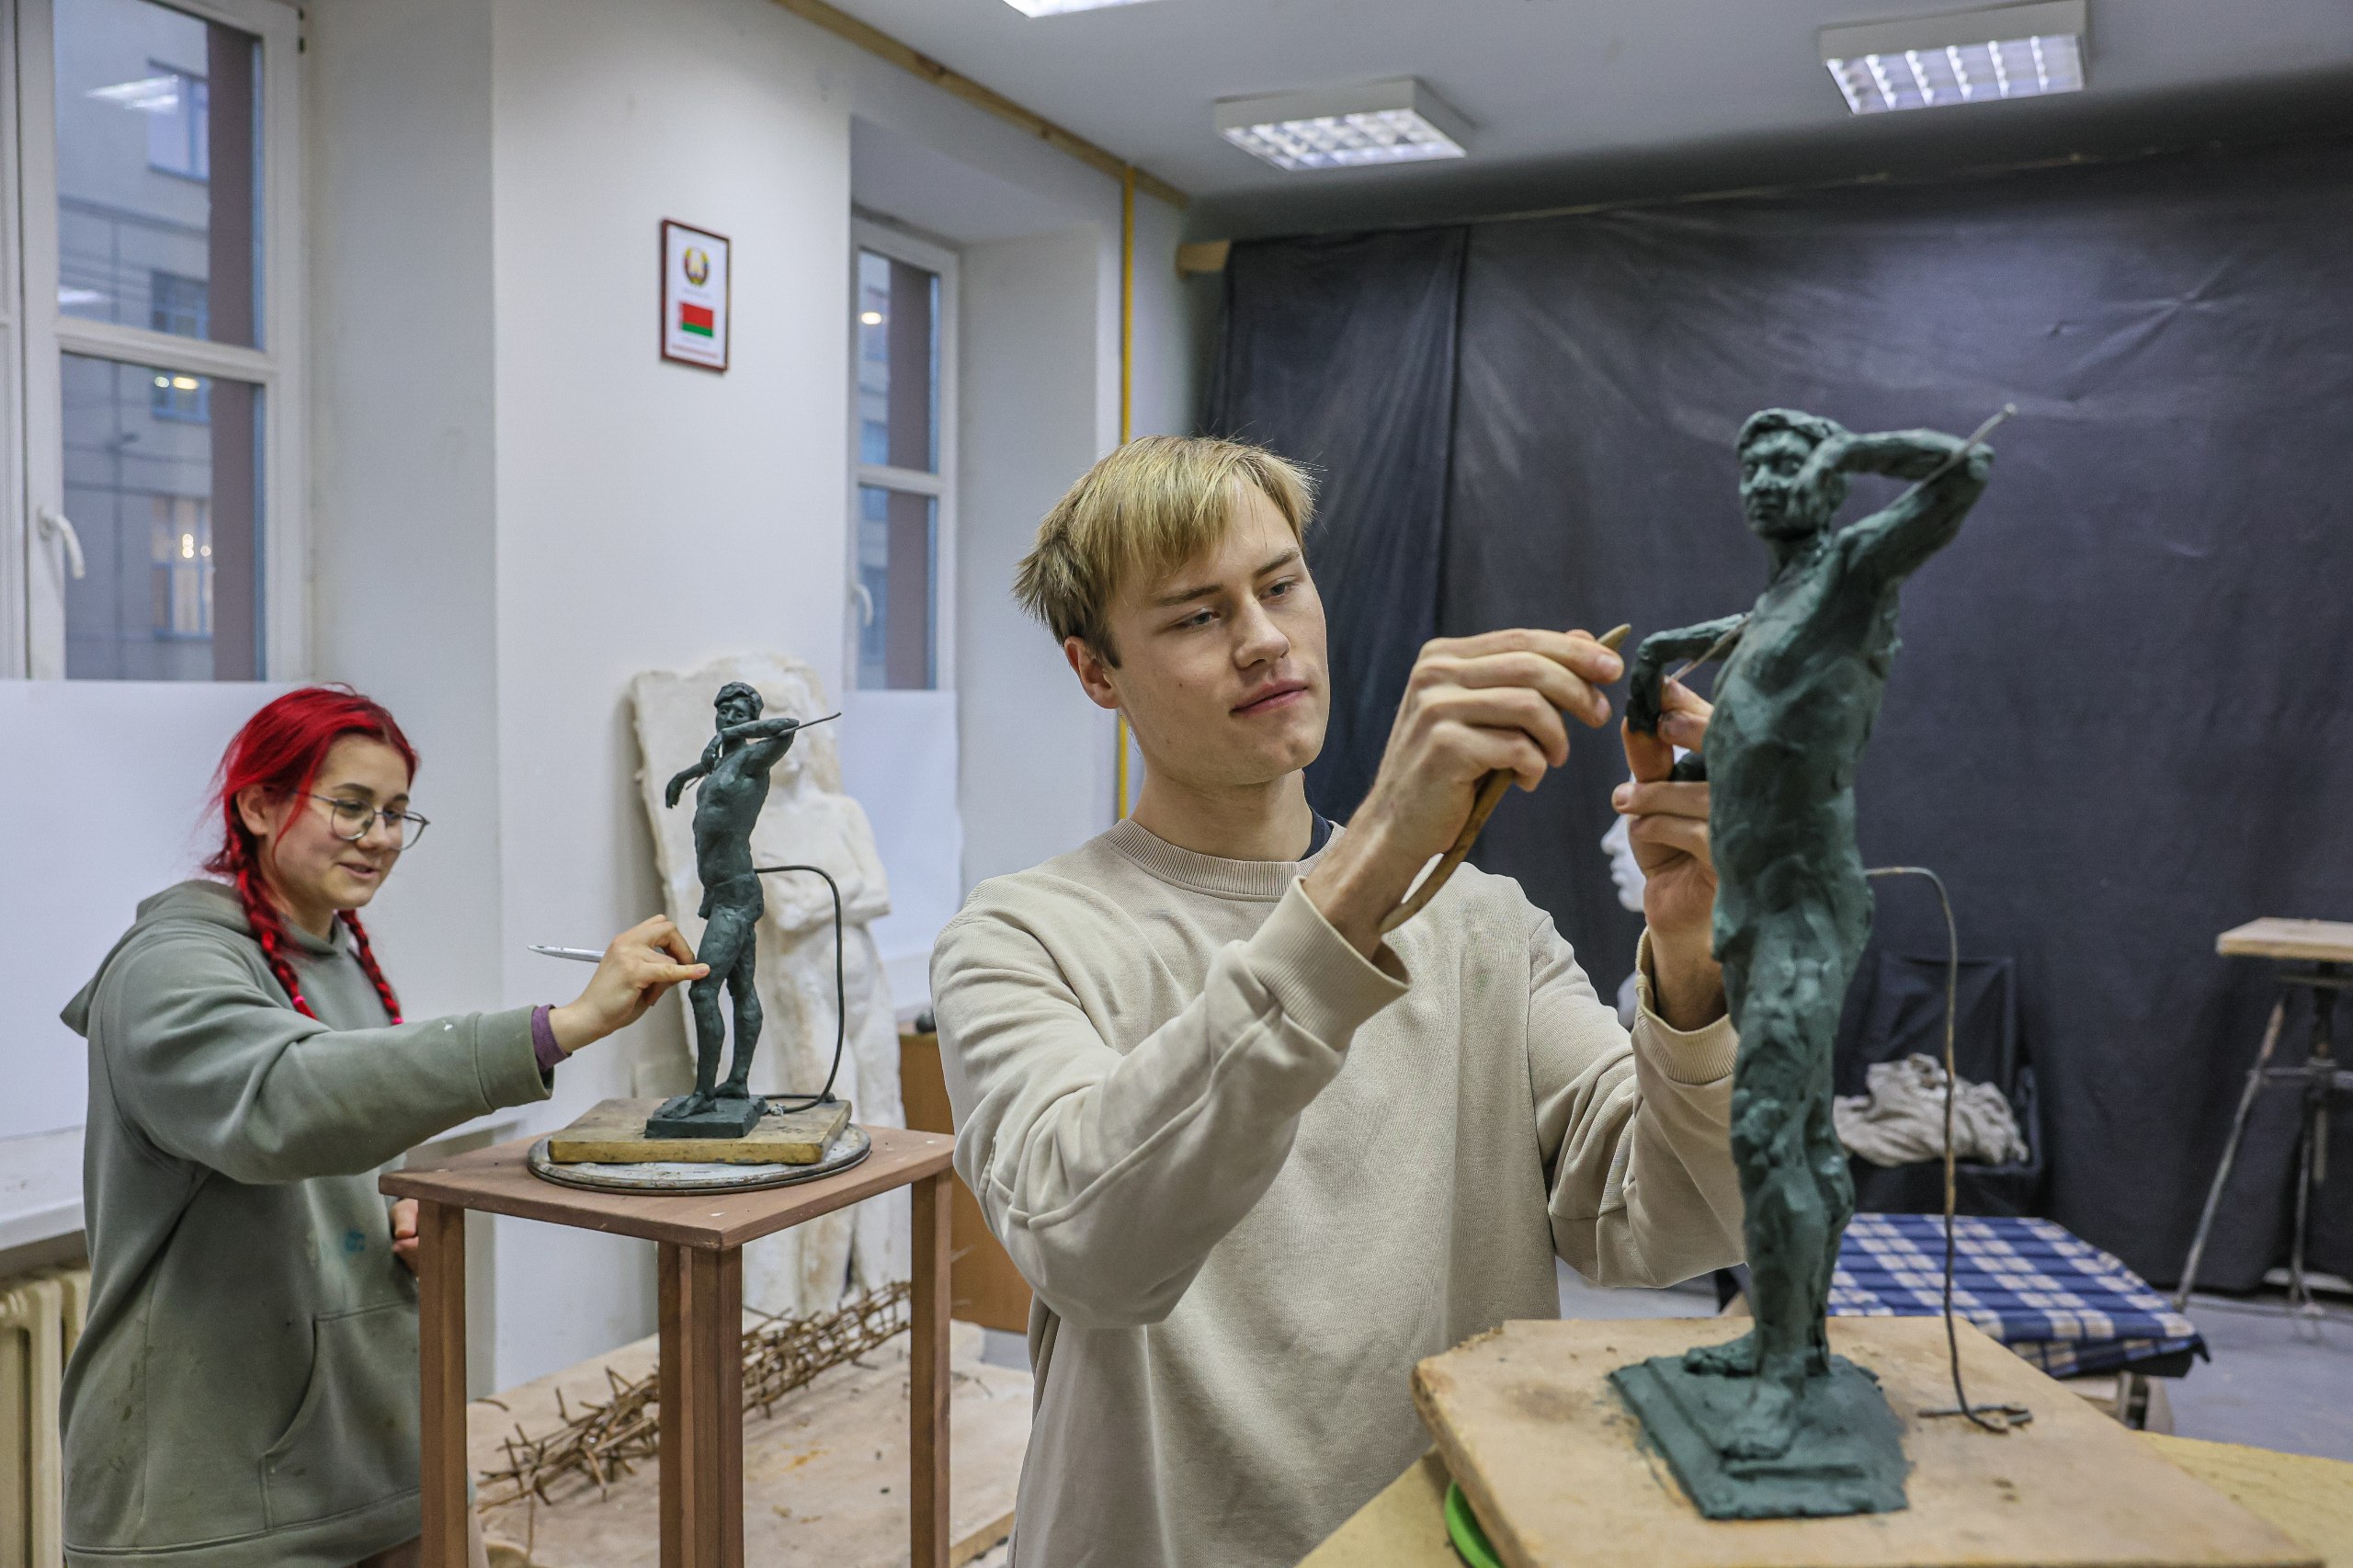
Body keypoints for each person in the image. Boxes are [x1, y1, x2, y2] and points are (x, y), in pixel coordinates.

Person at [930, 436, 1739, 1568]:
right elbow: (1094, 1246)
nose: (1264, 639)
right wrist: (1378, 853)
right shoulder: (1022, 936)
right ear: (1095, 671)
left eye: (1279, 585)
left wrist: (1694, 958)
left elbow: (1680, 1220)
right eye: (1196, 615)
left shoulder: (1486, 928)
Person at [59, 687, 707, 1568]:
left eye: (397, 813)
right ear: (259, 805)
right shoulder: (170, 969)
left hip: (375, 1461)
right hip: (211, 1501)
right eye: (352, 806)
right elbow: (285, 1104)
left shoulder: (339, 959)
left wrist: (382, 1217)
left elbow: (337, 1142)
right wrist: (557, 1027)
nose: (380, 837)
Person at [1624, 409, 1993, 1460]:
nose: (1768, 477)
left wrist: (1856, 451)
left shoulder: (1851, 573)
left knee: (1764, 1133)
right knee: (1808, 1139)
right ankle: (1796, 1338)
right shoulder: (1772, 606)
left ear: (1826, 478)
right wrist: (1654, 664)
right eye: (1755, 462)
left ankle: (1783, 1370)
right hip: (1748, 903)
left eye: (1791, 459)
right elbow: (1732, 730)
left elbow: (1967, 468)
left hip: (1803, 907)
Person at [656, 681, 808, 1128]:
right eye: (723, 713)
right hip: (722, 893)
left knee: (703, 989)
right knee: (741, 989)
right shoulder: (722, 763)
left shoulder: (754, 759)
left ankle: (704, 1094)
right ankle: (737, 1082)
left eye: (738, 714)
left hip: (735, 898)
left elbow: (788, 726)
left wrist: (727, 735)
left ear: (750, 719)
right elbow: (716, 776)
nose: (727, 719)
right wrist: (685, 775)